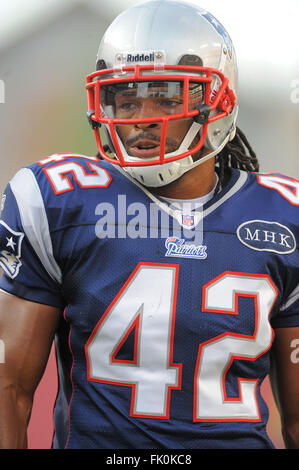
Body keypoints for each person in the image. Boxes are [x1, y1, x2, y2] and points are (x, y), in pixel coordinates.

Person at [0, 0, 298, 450]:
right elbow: (9, 391)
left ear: (218, 102)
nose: (142, 119)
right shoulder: (56, 201)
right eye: (126, 99)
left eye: (165, 95)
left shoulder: (283, 215)